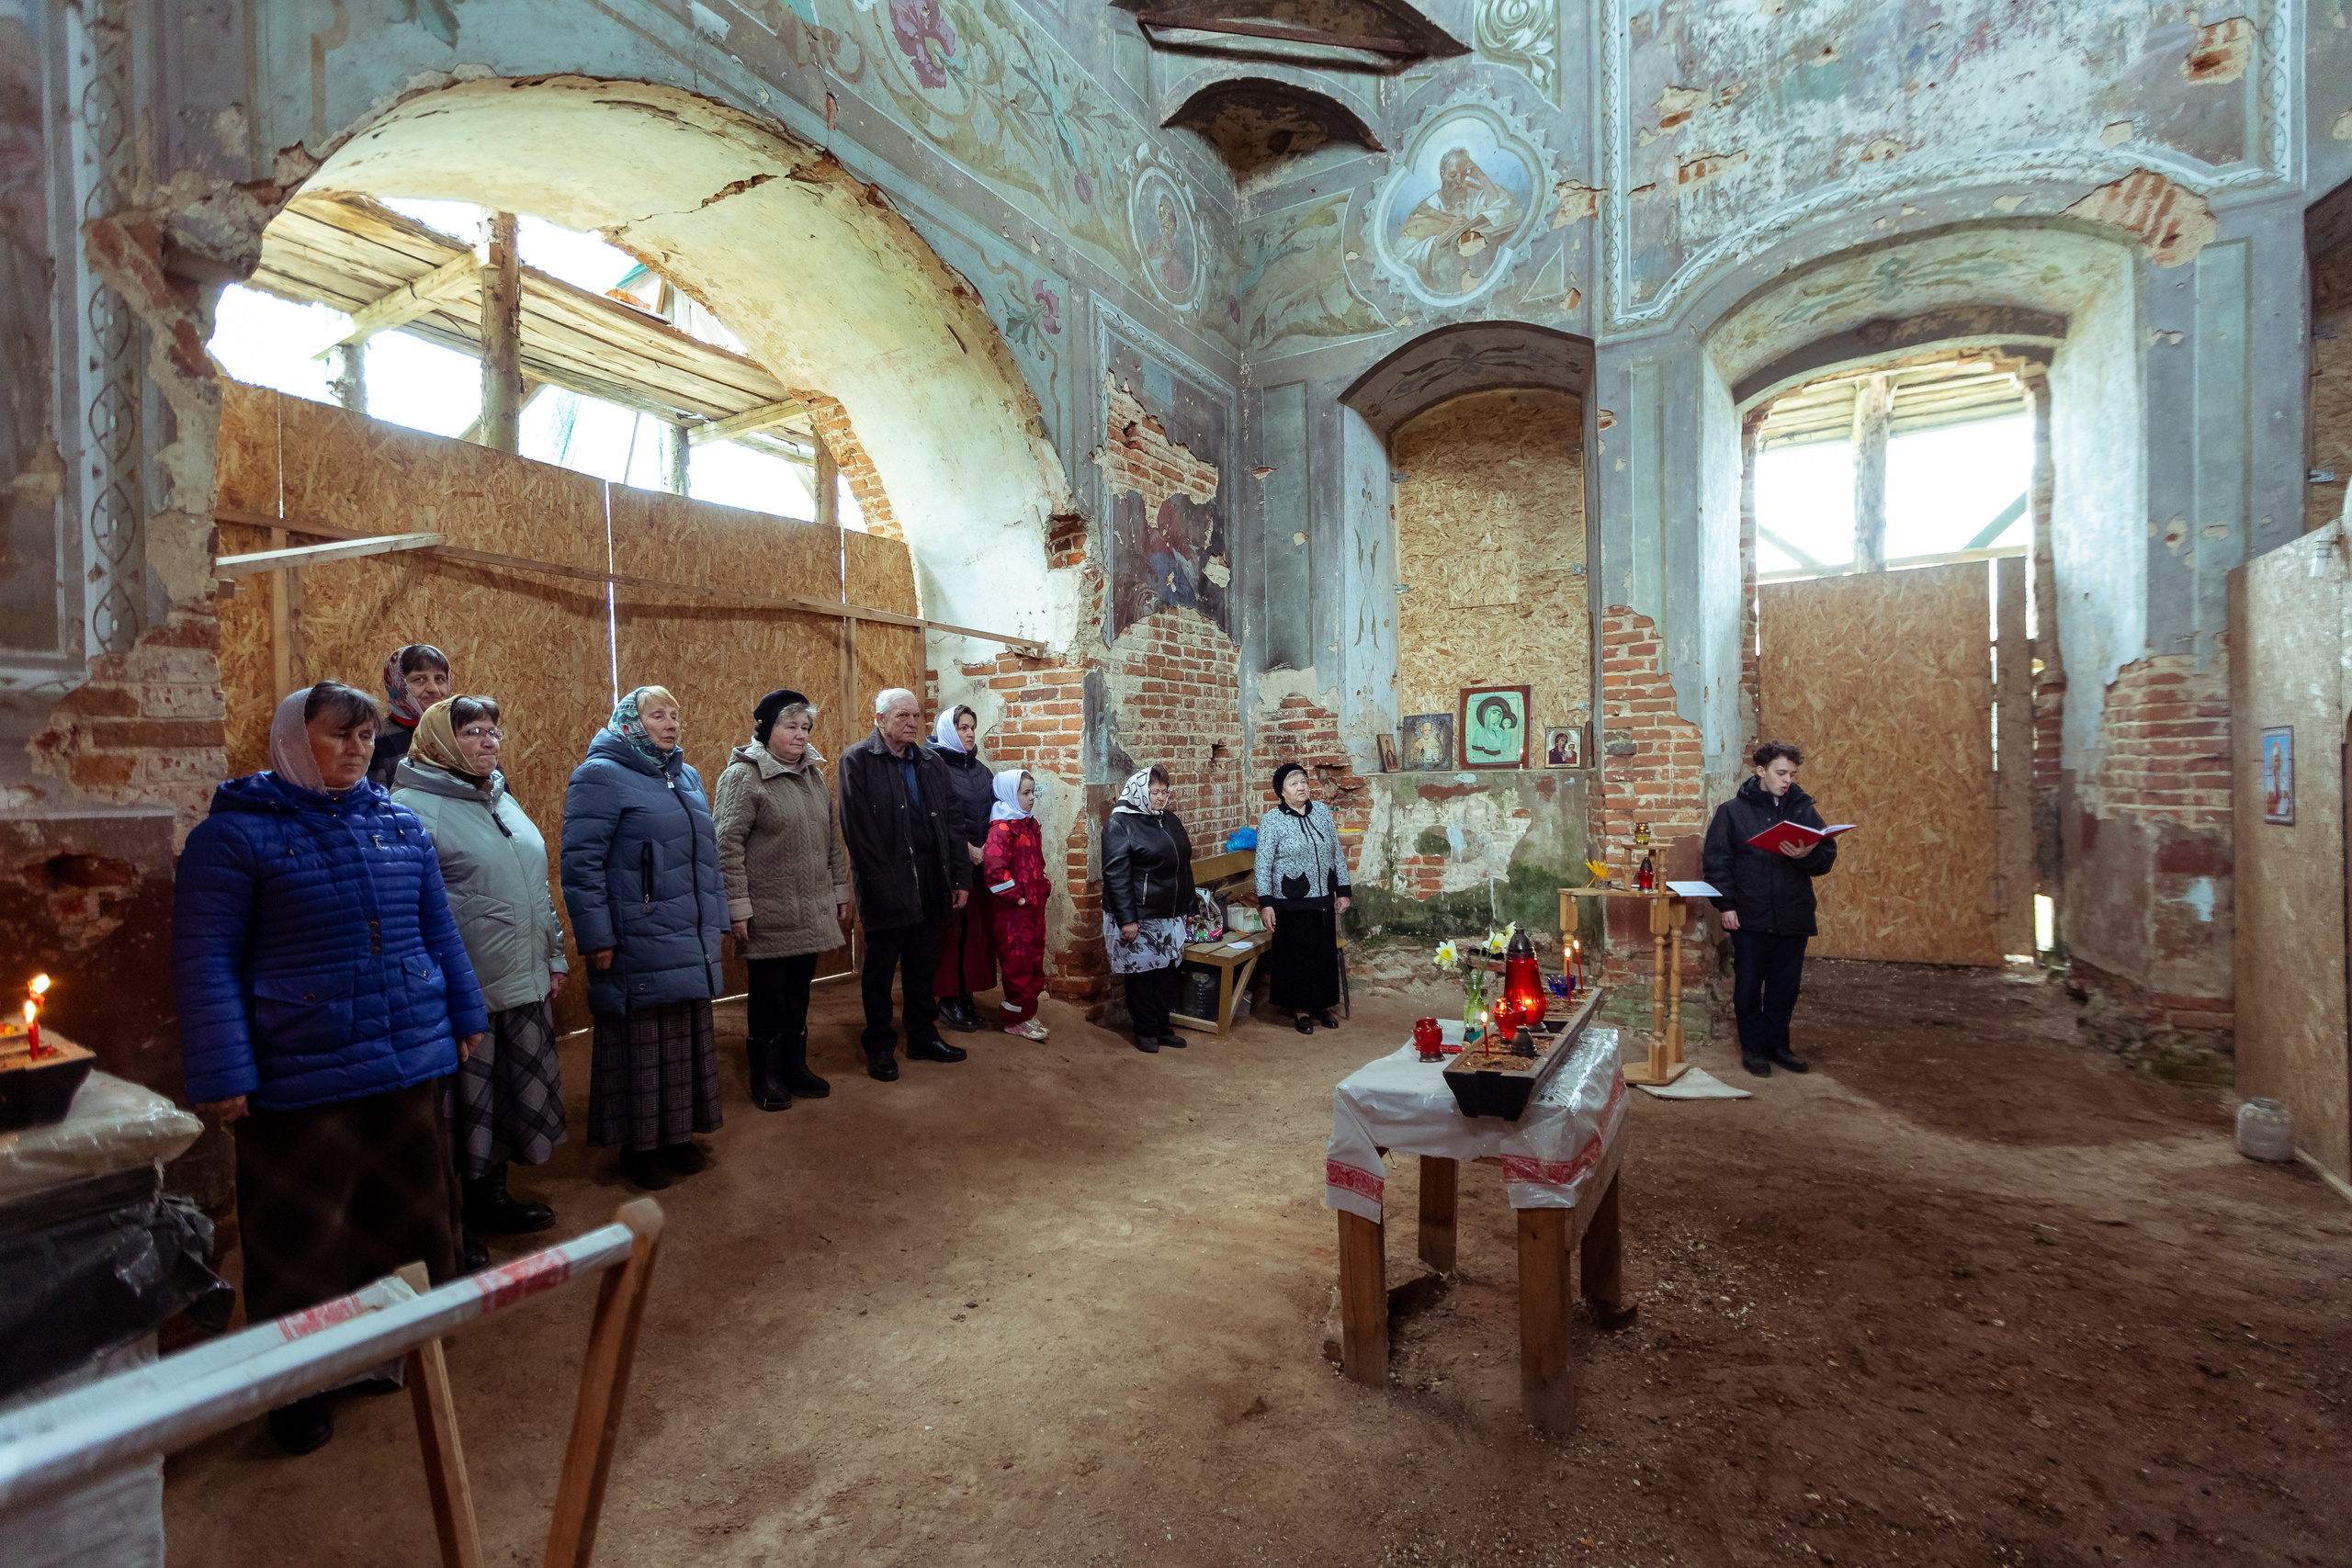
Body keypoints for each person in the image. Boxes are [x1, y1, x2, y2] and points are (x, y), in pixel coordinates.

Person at [172, 681, 487, 1456]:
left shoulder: (397, 822)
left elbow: (436, 931)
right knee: (302, 1235)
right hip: (299, 1066)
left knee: (404, 1215)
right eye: (337, 733)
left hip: (407, 1053)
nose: (354, 747)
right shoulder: (236, 837)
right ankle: (299, 1385)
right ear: (290, 739)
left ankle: (390, 1349)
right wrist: (224, 1071)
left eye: (364, 735)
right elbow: (204, 959)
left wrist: (466, 1013)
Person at [390, 696, 569, 1267]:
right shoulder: (410, 807)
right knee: (457, 1115)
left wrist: (554, 956)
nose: (489, 741)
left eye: (494, 730)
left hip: (522, 977)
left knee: (506, 1101)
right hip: (463, 989)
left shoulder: (498, 796)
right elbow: (410, 913)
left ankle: (491, 1198)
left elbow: (534, 886)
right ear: (440, 740)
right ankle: (451, 1222)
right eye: (472, 731)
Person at [561, 686, 728, 1190]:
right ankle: (641, 1148)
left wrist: (714, 921)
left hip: (686, 932)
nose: (672, 723)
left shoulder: (686, 775)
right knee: (643, 1044)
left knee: (684, 1039)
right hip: (635, 934)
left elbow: (706, 858)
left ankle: (677, 1135)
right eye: (659, 715)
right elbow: (580, 867)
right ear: (632, 721)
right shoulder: (599, 776)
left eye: (676, 714)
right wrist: (598, 938)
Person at [714, 687, 850, 1111]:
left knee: (798, 994)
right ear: (767, 728)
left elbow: (831, 838)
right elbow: (726, 847)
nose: (800, 735)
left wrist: (838, 890)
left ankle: (794, 1066)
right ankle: (765, 1075)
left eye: (805, 727)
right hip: (768, 914)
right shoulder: (743, 776)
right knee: (769, 999)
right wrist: (737, 908)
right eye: (790, 726)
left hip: (809, 909)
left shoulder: (812, 775)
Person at [837, 688, 972, 1080]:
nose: (912, 723)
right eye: (902, 717)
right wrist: (881, 884)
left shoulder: (930, 761)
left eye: (915, 716)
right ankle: (879, 1045)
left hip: (931, 878)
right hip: (884, 882)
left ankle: (921, 1035)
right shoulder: (857, 760)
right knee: (880, 970)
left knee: (922, 963)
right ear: (879, 720)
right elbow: (858, 832)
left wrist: (960, 876)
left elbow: (952, 821)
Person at [1701, 740, 1839, 1078]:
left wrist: (1808, 855)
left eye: (1792, 773)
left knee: (1785, 987)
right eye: (1780, 772)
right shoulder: (1731, 812)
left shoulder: (1804, 810)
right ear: (1760, 771)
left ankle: (1779, 1047)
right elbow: (1718, 863)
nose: (1787, 779)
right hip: (1750, 914)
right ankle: (1753, 1049)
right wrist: (1726, 906)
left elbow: (1826, 857)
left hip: (1793, 914)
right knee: (1748, 987)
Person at [1100, 765, 1195, 1055]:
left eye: (1164, 792)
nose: (1160, 798)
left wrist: (1188, 906)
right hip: (1139, 916)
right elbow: (1116, 876)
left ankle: (1162, 1027)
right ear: (1140, 791)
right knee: (1142, 974)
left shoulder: (1170, 821)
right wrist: (1127, 920)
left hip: (1169, 913)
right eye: (1154, 792)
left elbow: (1184, 867)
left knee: (1166, 972)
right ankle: (1144, 1030)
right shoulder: (1120, 824)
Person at [1255, 761, 1353, 1034]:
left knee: (1321, 957)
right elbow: (1262, 864)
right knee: (1297, 958)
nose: (1301, 787)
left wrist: (1343, 890)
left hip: (1322, 899)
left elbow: (1336, 852)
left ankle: (1322, 1006)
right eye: (1294, 783)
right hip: (1291, 901)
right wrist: (1266, 903)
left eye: (1304, 782)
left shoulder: (1321, 812)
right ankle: (1300, 1010)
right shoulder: (1272, 820)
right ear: (1281, 792)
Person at [927, 705, 998, 1033]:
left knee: (974, 936)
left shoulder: (983, 772)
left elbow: (995, 815)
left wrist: (991, 849)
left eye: (972, 727)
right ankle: (948, 1000)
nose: (970, 733)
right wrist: (966, 850)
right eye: (962, 727)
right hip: (950, 869)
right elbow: (934, 819)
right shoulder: (933, 767)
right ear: (946, 730)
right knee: (951, 936)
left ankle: (966, 995)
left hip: (980, 868)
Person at [982, 767, 1050, 1041]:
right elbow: (994, 872)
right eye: (1025, 793)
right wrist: (1018, 897)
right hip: (1014, 914)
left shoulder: (1028, 825)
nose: (1031, 798)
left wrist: (1042, 888)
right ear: (1010, 794)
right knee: (1017, 965)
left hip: (1034, 910)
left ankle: (1027, 1014)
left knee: (1034, 962)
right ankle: (1015, 1019)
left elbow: (1038, 863)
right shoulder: (1002, 829)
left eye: (1033, 792)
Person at [368, 644, 452, 786]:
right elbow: (374, 804)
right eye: (419, 679)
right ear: (397, 684)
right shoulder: (377, 740)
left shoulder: (462, 734)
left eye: (439, 679)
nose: (434, 689)